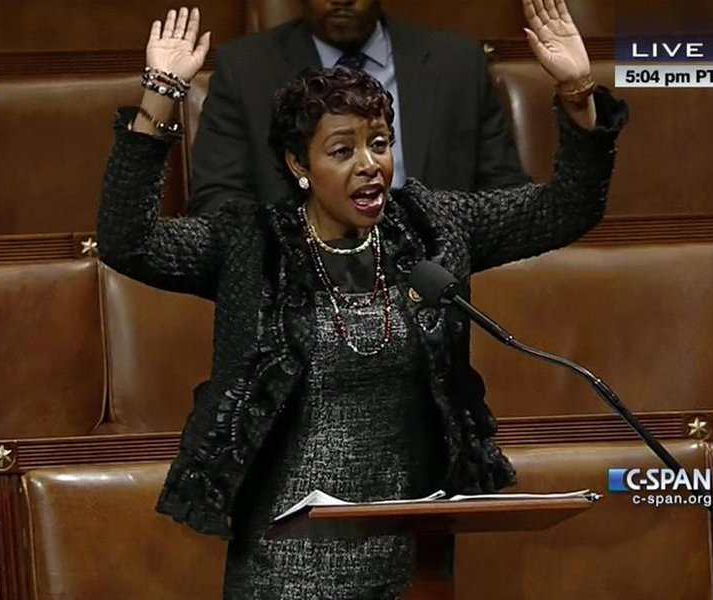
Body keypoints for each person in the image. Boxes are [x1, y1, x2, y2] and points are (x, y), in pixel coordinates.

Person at [97, 2, 626, 597]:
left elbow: (566, 207)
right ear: (300, 164)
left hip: (411, 550)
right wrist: (162, 93)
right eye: (342, 150)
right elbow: (128, 241)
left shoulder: (432, 227)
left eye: (379, 143)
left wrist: (579, 89)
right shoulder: (251, 243)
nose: (370, 165)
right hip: (283, 561)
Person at [187, 0, 531, 215]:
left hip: (438, 281)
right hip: (301, 286)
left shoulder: (455, 63)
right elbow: (218, 200)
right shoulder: (246, 68)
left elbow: (507, 194)